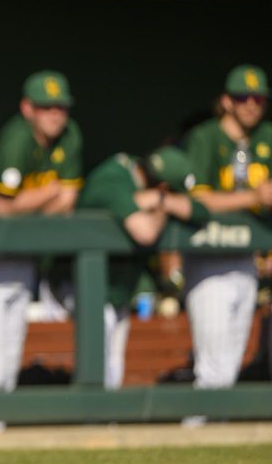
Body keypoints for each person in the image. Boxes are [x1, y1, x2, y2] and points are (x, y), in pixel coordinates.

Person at [0, 71, 82, 398]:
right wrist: (48, 193)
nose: (55, 114)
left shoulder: (70, 137)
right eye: (45, 107)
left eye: (61, 106)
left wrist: (19, 205)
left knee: (9, 367)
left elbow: (64, 204)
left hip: (22, 256)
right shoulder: (17, 137)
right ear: (28, 108)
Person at [183, 65, 272, 392]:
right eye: (242, 97)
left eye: (258, 99)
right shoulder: (205, 137)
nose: (251, 105)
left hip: (247, 259)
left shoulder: (268, 136)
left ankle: (212, 433)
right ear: (226, 101)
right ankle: (197, 429)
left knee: (229, 365)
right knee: (212, 366)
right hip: (209, 257)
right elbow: (197, 200)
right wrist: (254, 197)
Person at [76, 147, 208, 389]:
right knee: (97, 372)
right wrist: (161, 203)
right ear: (161, 185)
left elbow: (200, 211)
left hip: (117, 292)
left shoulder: (137, 174)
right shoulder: (112, 178)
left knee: (112, 369)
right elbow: (146, 232)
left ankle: (106, 421)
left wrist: (160, 200)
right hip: (79, 290)